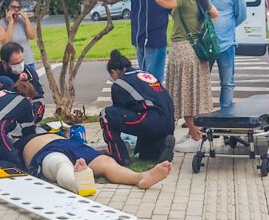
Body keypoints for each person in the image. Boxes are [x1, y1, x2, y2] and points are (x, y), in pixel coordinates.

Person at [15, 133, 172, 193]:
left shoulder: (44, 129)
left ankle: (141, 177)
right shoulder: (16, 142)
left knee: (106, 162)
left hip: (71, 145)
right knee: (60, 164)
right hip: (43, 152)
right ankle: (77, 183)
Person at [99, 50, 175, 166]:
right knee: (142, 154)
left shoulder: (119, 84)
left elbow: (119, 114)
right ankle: (162, 144)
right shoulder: (146, 74)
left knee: (106, 115)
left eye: (111, 75)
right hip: (168, 122)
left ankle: (120, 157)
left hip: (152, 120)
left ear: (114, 71)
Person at [166, 0, 218, 152]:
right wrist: (201, 32)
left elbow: (163, 3)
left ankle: (196, 137)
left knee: (184, 95)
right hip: (196, 49)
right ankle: (194, 133)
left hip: (183, 51)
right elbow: (215, 14)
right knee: (196, 93)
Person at [103, 0, 175, 83]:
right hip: (140, 39)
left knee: (154, 82)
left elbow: (175, 9)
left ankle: (153, 95)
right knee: (145, 81)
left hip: (154, 38)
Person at [0, 42, 45, 123]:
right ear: (4, 63)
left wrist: (33, 117)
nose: (20, 65)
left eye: (21, 61)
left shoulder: (30, 73)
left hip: (24, 116)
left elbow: (38, 98)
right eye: (16, 63)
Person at [210, 0, 246, 109]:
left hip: (227, 44)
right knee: (200, 82)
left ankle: (226, 115)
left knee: (227, 83)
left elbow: (242, 15)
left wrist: (227, 26)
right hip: (206, 45)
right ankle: (195, 117)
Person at [0, 0, 36, 70]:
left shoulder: (22, 21)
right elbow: (6, 42)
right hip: (12, 65)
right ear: (6, 8)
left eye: (18, 7)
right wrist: (11, 22)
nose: (16, 10)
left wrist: (25, 18)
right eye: (13, 7)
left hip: (28, 61)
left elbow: (32, 36)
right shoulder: (0, 24)